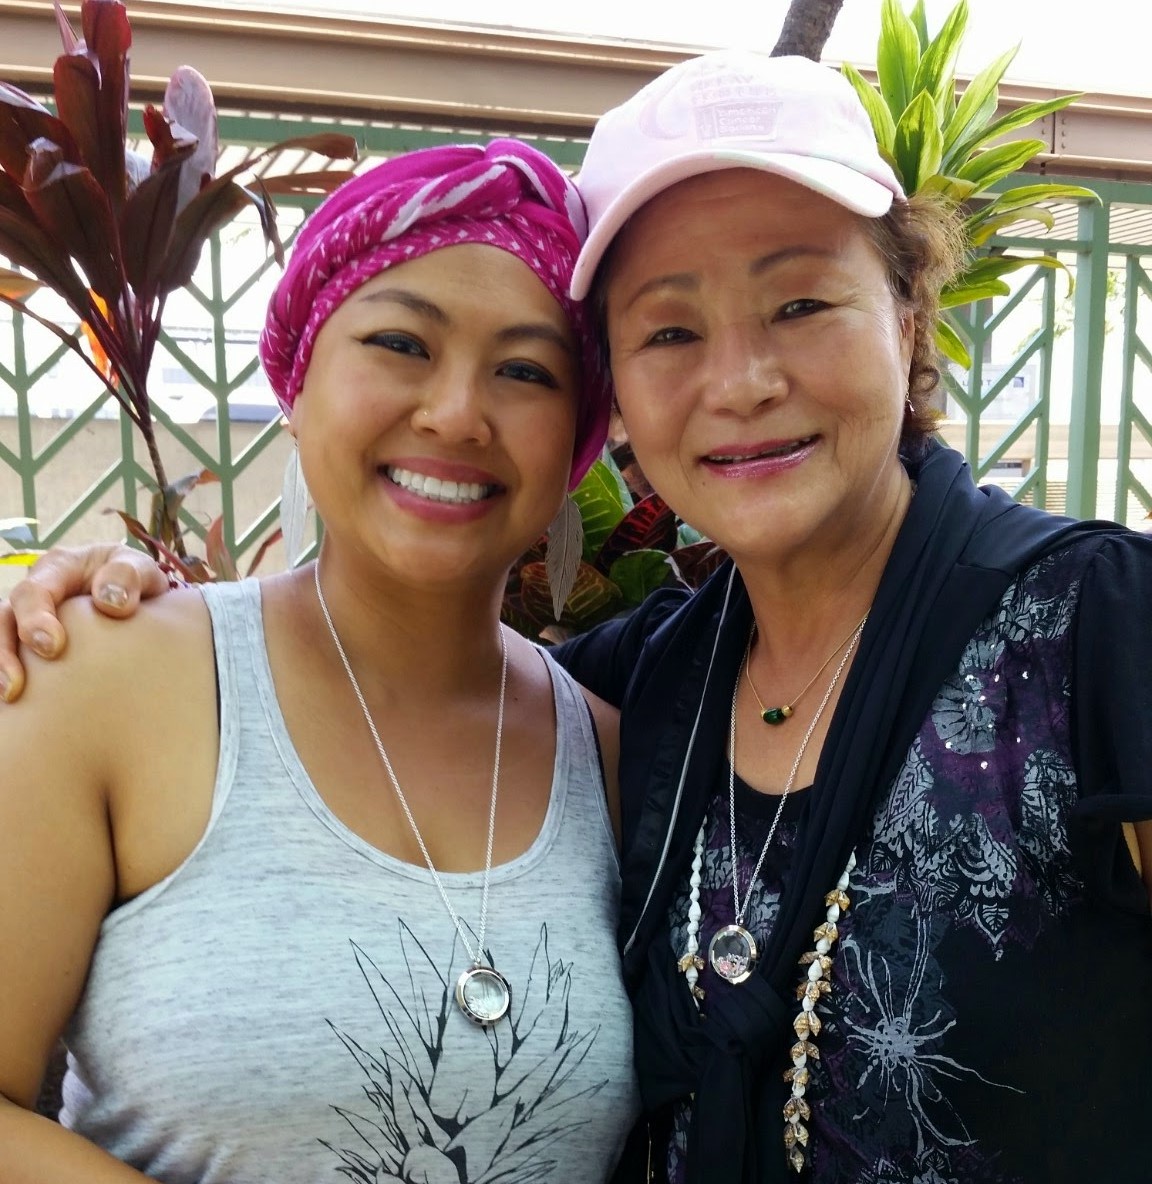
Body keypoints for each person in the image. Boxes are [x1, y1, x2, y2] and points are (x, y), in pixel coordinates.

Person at [5, 50, 1152, 1184]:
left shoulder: (1093, 625)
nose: (741, 380)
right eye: (669, 330)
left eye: (801, 303)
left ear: (908, 318)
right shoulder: (644, 694)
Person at [0, 139, 642, 1183]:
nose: (457, 413)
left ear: (578, 437)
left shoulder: (612, 756)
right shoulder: (112, 680)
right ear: (298, 379)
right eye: (400, 342)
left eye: (526, 369)